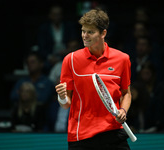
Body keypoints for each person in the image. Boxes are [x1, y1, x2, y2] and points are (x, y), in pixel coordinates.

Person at [55, 8, 132, 149]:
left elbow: (126, 93)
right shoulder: (70, 60)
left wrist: (123, 110)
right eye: (83, 31)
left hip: (113, 132)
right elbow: (66, 104)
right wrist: (61, 96)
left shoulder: (122, 59)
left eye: (90, 32)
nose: (85, 36)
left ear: (103, 33)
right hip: (81, 135)